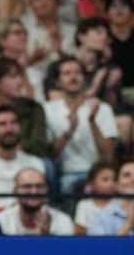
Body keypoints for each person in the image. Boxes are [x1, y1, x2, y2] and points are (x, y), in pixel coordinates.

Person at [44, 56, 118, 192]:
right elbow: (50, 154)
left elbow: (108, 155)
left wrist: (92, 121)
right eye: (67, 73)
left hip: (98, 174)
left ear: (84, 79)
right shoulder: (48, 110)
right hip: (66, 175)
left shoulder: (102, 108)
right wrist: (70, 129)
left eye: (78, 73)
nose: (73, 77)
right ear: (57, 81)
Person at [0, 167, 74, 235]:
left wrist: (46, 237)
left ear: (47, 189)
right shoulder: (1, 222)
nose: (34, 192)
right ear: (15, 190)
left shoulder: (62, 221)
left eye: (39, 186)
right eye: (27, 186)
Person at [88, 159, 134, 236]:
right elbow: (97, 244)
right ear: (116, 184)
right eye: (127, 175)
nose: (133, 180)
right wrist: (128, 224)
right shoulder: (102, 217)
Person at [73, 161, 117, 235]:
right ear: (92, 183)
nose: (111, 184)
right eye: (105, 179)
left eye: (114, 180)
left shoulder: (120, 203)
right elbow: (79, 231)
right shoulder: (84, 204)